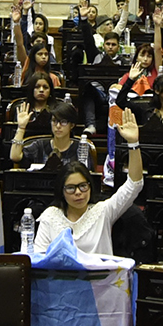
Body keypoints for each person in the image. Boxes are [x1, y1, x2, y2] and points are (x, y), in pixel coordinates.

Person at [33, 109, 143, 255]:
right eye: (71, 188)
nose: (78, 193)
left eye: (83, 186)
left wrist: (133, 143)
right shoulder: (50, 216)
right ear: (62, 191)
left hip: (100, 277)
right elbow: (39, 256)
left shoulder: (102, 211)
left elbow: (134, 184)